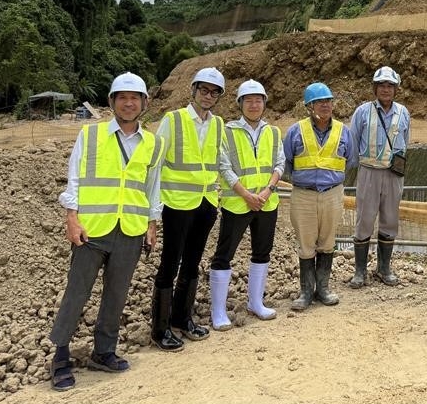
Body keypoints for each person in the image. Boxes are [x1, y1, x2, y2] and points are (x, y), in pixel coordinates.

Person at [49, 72, 164, 391]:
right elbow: (74, 178)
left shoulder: (154, 143)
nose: (129, 103)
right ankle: (60, 356)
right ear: (112, 101)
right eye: (122, 97)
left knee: (117, 293)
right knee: (77, 292)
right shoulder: (91, 135)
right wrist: (71, 217)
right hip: (92, 229)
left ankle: (104, 351)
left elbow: (152, 188)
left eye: (135, 97)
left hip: (131, 228)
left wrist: (152, 224)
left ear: (144, 103)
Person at [151, 68, 225, 351]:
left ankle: (183, 319)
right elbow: (156, 165)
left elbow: (216, 162)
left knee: (192, 263)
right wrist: (154, 211)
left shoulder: (218, 124)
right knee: (169, 264)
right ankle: (160, 329)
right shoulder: (173, 120)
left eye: (214, 92)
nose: (208, 96)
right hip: (177, 204)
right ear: (193, 91)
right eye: (204, 90)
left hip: (205, 205)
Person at [209, 80, 284, 330]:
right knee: (224, 255)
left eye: (258, 100)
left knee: (262, 253)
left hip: (266, 203)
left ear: (264, 103)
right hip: (237, 204)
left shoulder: (272, 132)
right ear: (240, 104)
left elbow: (279, 164)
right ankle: (218, 311)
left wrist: (267, 190)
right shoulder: (227, 131)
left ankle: (256, 303)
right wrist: (245, 194)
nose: (254, 105)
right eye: (249, 100)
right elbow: (223, 166)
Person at [283, 82, 355, 311]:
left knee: (327, 242)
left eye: (328, 101)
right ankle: (306, 291)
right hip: (303, 195)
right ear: (309, 106)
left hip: (332, 194)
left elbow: (350, 160)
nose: (325, 105)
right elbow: (287, 162)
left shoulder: (344, 131)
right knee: (306, 244)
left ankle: (322, 288)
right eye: (320, 102)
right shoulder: (296, 131)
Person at [348, 66, 411, 288]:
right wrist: (355, 171)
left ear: (396, 89)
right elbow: (353, 142)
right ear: (375, 88)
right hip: (369, 171)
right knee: (364, 219)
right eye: (382, 85)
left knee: (390, 219)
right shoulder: (363, 112)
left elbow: (405, 140)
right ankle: (360, 271)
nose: (386, 89)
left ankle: (384, 268)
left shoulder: (404, 112)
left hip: (393, 174)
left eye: (390, 86)